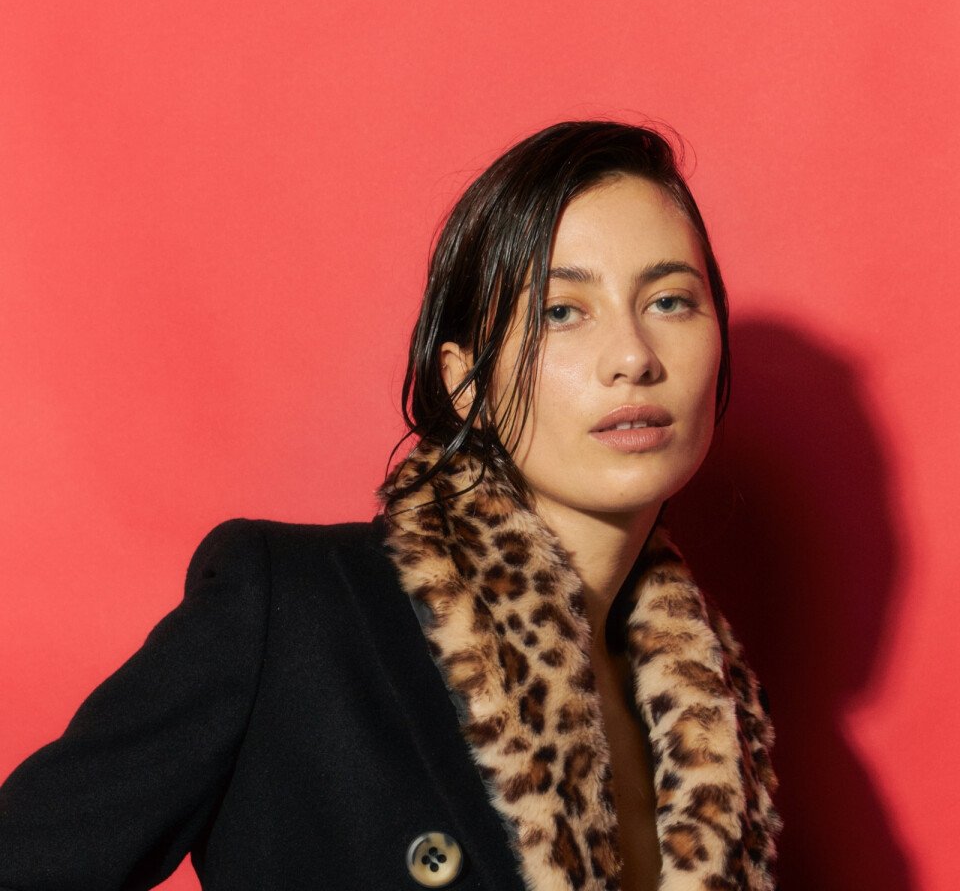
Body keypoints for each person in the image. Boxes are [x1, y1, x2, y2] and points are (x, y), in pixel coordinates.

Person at [0, 120, 782, 891]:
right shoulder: (296, 615)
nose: (634, 357)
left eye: (671, 301)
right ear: (464, 381)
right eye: (560, 311)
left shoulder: (715, 717)